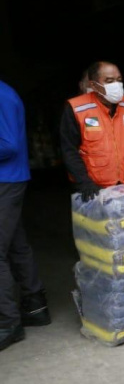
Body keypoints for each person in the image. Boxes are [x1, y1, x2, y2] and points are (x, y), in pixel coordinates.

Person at [0, 80, 49, 353]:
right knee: (16, 245)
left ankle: (7, 323)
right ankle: (35, 307)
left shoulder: (2, 95)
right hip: (7, 179)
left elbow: (8, 145)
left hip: (5, 180)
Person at [60, 61, 124, 201]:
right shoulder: (77, 108)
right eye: (109, 81)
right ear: (93, 85)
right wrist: (84, 183)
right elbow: (69, 150)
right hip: (94, 190)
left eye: (119, 80)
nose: (116, 85)